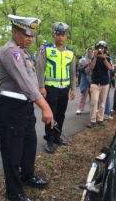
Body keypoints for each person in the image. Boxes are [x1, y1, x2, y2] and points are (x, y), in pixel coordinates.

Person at [0, 14, 54, 201]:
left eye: (32, 34)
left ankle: (27, 175)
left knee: (29, 144)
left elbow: (31, 76)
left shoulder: (23, 51)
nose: (30, 37)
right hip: (12, 106)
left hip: (25, 105)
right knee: (13, 150)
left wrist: (39, 87)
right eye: (25, 34)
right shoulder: (10, 51)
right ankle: (13, 191)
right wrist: (45, 106)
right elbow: (23, 81)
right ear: (14, 31)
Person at [36, 22, 76, 153]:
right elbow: (40, 68)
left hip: (64, 88)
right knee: (50, 114)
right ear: (54, 35)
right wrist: (41, 86)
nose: (60, 37)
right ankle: (49, 139)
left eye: (63, 34)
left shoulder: (70, 52)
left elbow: (73, 71)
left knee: (61, 114)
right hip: (50, 88)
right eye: (58, 34)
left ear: (66, 37)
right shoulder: (46, 49)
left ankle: (57, 137)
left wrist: (73, 88)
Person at [87, 41, 113, 128]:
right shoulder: (93, 58)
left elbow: (110, 68)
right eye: (99, 47)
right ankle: (92, 120)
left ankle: (100, 119)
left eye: (102, 48)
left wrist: (104, 58)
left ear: (105, 49)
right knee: (94, 102)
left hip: (105, 83)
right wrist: (95, 57)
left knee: (102, 103)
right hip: (95, 83)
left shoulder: (107, 58)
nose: (101, 49)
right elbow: (91, 68)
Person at [76, 48, 93, 115]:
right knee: (84, 95)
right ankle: (80, 109)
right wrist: (84, 67)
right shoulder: (82, 60)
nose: (90, 53)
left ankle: (93, 108)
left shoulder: (94, 59)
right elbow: (79, 70)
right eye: (89, 52)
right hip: (85, 79)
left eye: (91, 52)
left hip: (92, 80)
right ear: (86, 52)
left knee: (93, 95)